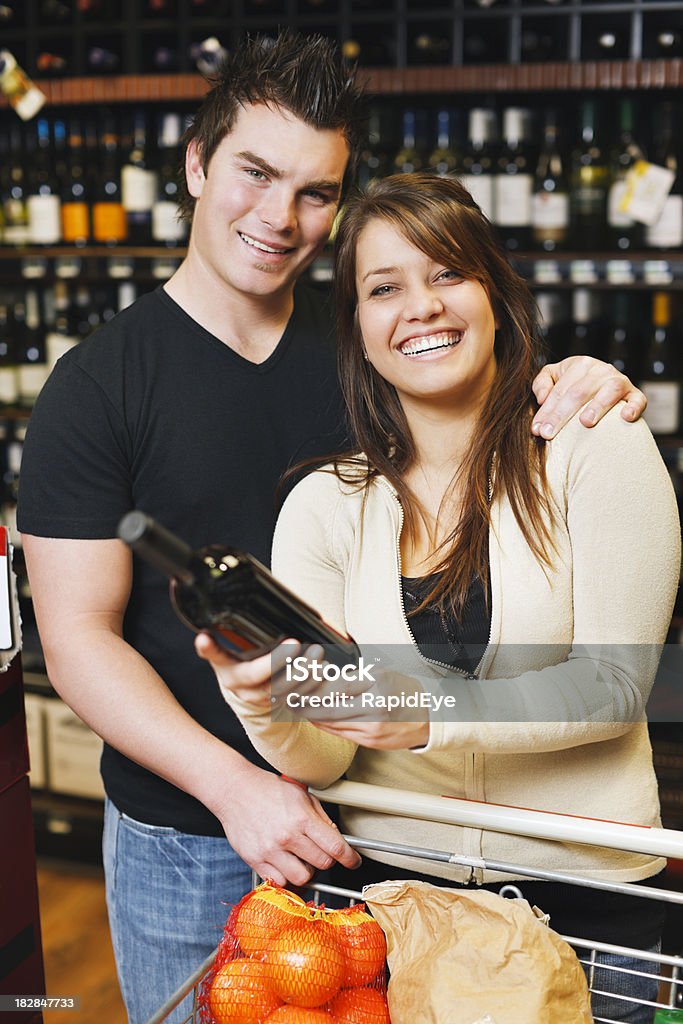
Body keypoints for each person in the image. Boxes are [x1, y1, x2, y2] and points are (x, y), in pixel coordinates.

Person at [18, 31, 650, 1024]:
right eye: (255, 174)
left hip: (374, 830)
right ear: (194, 165)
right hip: (190, 831)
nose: (280, 217)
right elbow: (76, 638)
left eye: (316, 192)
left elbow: (484, 425)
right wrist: (236, 787)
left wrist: (577, 380)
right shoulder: (94, 387)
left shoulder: (371, 349)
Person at [198, 172, 680, 1024]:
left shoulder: (591, 445)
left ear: (493, 291)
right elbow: (325, 760)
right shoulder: (323, 504)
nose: (419, 306)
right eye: (383, 288)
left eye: (447, 273)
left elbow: (615, 683)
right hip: (387, 905)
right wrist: (266, 705)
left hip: (583, 897)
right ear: (358, 330)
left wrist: (425, 713)